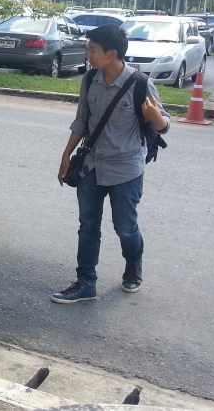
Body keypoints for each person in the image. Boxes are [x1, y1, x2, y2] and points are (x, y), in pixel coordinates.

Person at [54, 24, 170, 303]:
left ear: (112, 53)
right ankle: (86, 282)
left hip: (126, 169)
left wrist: (156, 118)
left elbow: (164, 125)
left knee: (125, 227)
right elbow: (81, 121)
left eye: (92, 50)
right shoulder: (90, 79)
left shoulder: (140, 83)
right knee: (88, 225)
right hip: (91, 165)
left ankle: (133, 265)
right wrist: (66, 155)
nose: (88, 55)